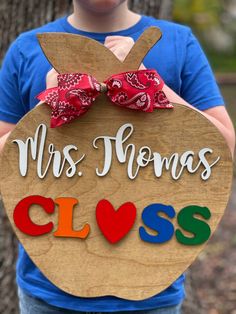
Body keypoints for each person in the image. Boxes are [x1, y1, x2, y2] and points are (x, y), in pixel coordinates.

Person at [0, 0, 235, 313]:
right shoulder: (27, 49)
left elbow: (223, 146)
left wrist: (150, 85)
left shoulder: (178, 42)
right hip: (48, 291)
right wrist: (49, 106)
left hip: (153, 291)